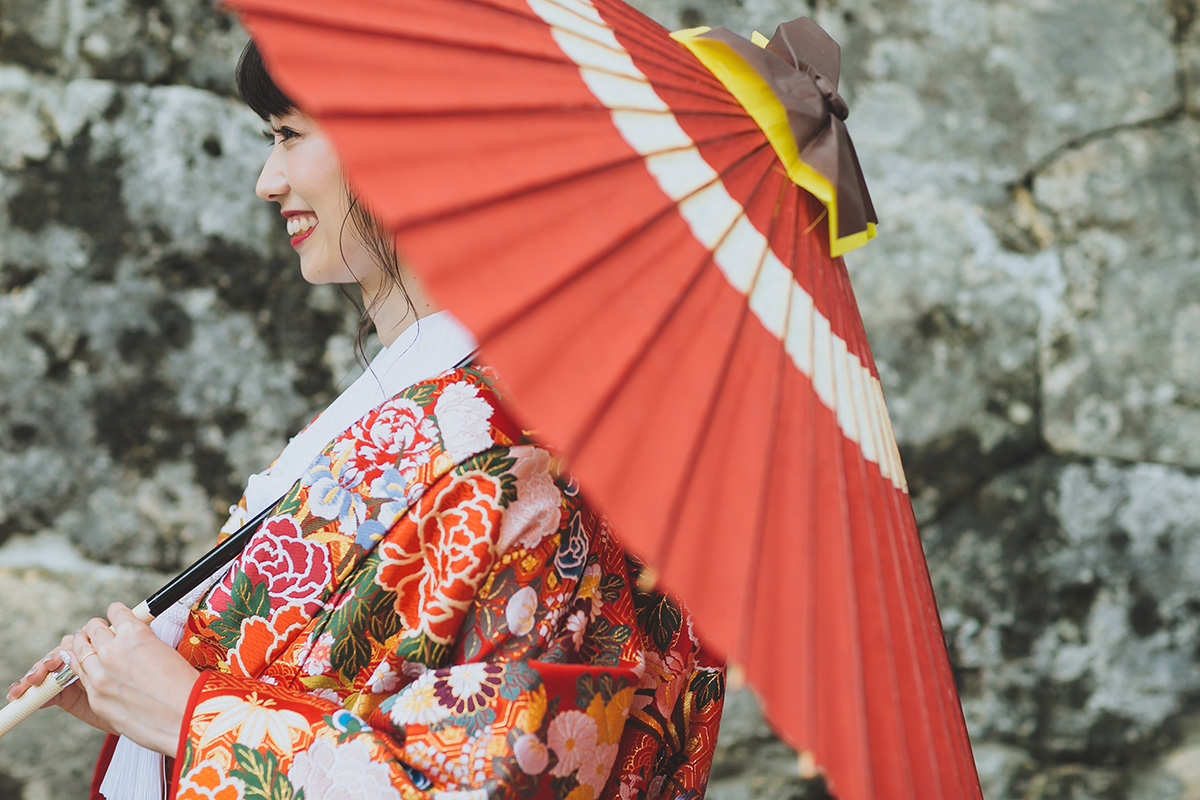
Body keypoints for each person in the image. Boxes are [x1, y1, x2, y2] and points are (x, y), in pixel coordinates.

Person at [7, 40, 724, 800]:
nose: (267, 181)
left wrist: (186, 712)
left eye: (288, 134)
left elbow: (487, 778)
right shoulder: (440, 409)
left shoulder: (504, 453)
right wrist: (143, 689)